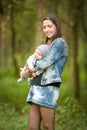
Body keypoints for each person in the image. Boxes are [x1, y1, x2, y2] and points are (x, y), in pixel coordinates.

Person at [25, 14, 68, 130]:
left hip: (48, 89)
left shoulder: (59, 43)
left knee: (48, 126)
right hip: (36, 87)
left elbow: (45, 63)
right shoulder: (48, 44)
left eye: (49, 26)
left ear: (56, 26)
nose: (46, 30)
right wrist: (28, 72)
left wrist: (31, 64)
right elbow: (37, 68)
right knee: (32, 128)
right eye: (44, 27)